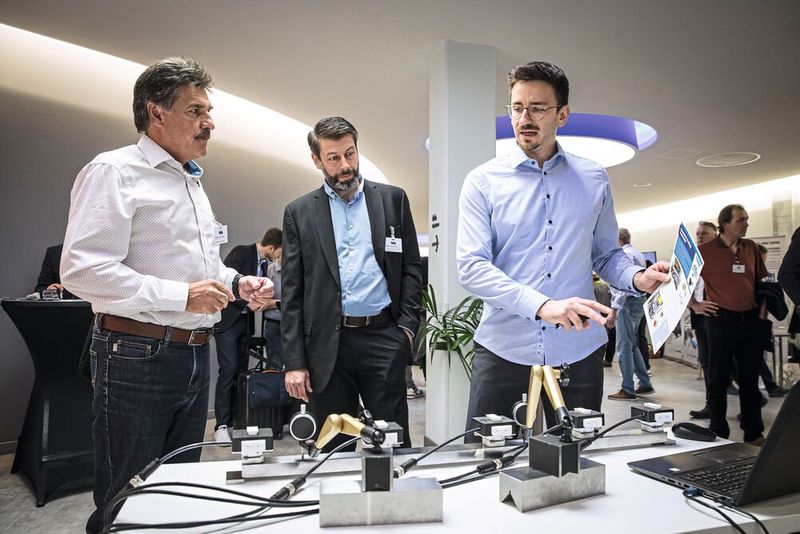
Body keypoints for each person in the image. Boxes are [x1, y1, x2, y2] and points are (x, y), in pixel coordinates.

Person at [59, 57, 274, 533]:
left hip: (194, 355)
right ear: (156, 113)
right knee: (128, 498)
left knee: (178, 492)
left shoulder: (190, 179)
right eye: (197, 111)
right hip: (136, 353)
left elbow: (202, 267)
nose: (209, 123)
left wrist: (236, 284)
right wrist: (181, 296)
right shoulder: (114, 171)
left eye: (208, 111)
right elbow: (81, 270)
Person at [456, 61, 670, 438]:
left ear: (563, 114)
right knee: (487, 462)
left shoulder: (594, 177)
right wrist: (542, 305)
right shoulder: (482, 181)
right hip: (504, 348)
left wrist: (638, 277)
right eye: (517, 107)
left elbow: (605, 254)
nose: (524, 118)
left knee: (574, 463)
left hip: (578, 349)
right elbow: (472, 267)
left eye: (537, 108)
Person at [282, 117, 422, 450]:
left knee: (391, 443)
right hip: (327, 347)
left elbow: (411, 268)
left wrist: (406, 329)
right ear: (317, 161)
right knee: (332, 445)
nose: (345, 165)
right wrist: (295, 363)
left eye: (350, 154)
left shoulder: (392, 200)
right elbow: (292, 292)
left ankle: (392, 503)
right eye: (334, 158)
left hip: (383, 337)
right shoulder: (299, 213)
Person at [698, 204, 767, 445]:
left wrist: (762, 312)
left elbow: (761, 283)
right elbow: (678, 283)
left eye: (746, 219)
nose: (746, 223)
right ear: (725, 224)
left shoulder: (752, 248)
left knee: (749, 380)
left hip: (749, 319)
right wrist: (695, 306)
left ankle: (753, 432)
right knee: (718, 379)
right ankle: (718, 431)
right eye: (741, 220)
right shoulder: (704, 250)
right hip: (720, 320)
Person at [212, 228, 282, 443]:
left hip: (244, 324)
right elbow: (226, 285)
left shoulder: (267, 267)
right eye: (279, 253)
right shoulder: (241, 252)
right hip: (228, 323)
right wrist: (248, 301)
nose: (279, 257)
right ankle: (221, 424)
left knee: (241, 371)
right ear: (271, 248)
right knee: (228, 369)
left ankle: (237, 420)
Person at [608, 229, 655, 400]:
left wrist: (613, 310)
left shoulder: (624, 255)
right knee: (632, 344)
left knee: (623, 347)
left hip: (627, 303)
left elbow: (621, 286)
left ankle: (627, 388)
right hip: (638, 301)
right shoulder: (636, 253)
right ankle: (644, 382)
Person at [688, 221, 719, 419]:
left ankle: (752, 398)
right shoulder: (693, 259)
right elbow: (686, 286)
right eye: (698, 233)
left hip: (719, 315)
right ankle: (712, 405)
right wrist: (695, 305)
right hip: (700, 317)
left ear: (715, 234)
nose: (700, 236)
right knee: (707, 362)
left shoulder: (719, 257)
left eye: (704, 233)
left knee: (727, 362)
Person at [593, 273, 616, 368]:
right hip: (609, 313)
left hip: (597, 315)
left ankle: (598, 360)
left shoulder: (593, 288)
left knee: (599, 339)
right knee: (611, 337)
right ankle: (608, 359)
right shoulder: (606, 285)